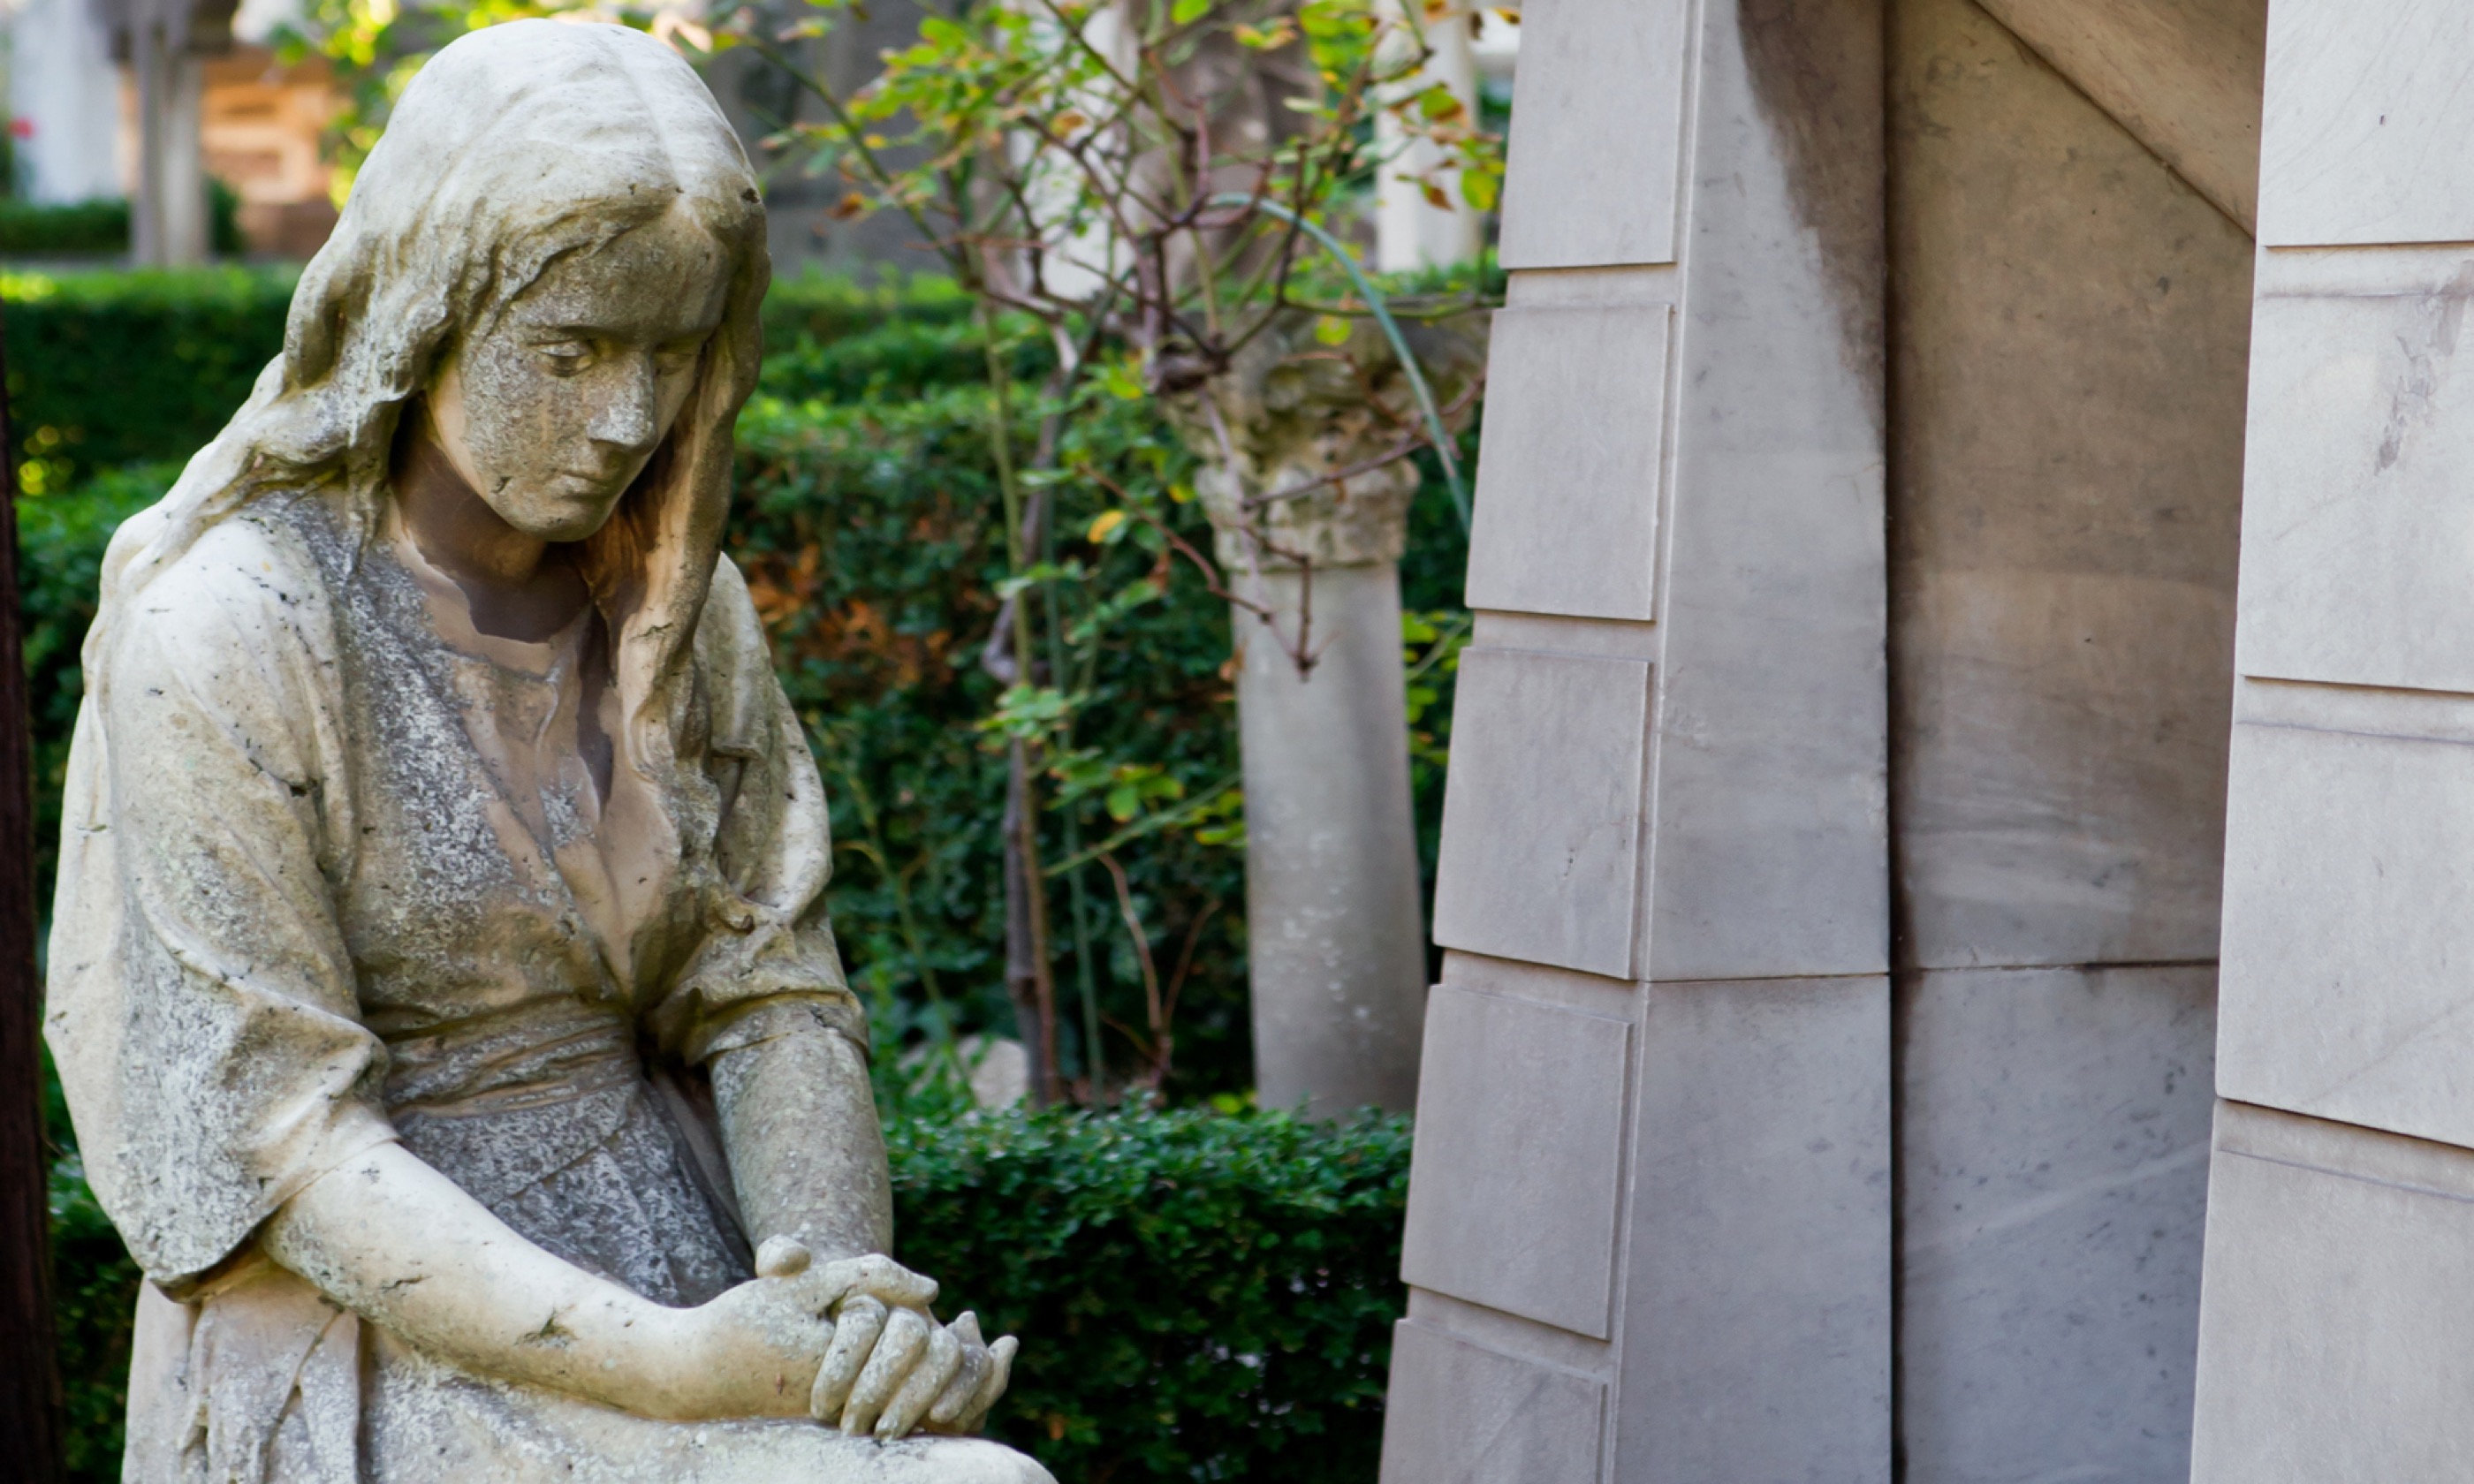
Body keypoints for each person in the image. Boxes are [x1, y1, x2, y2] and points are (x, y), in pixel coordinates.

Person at [43, 20, 1051, 1483]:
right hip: (389, 1332)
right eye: (569, 352)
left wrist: (835, 1302)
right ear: (427, 311)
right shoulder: (235, 626)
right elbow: (284, 1144)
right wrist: (671, 1369)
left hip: (693, 1265)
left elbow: (772, 994)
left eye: (672, 353)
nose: (627, 419)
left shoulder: (682, 610)